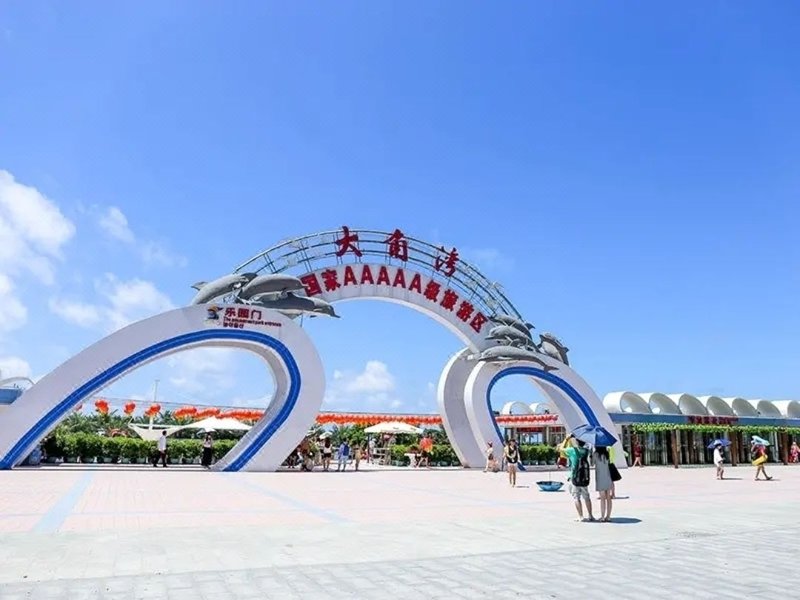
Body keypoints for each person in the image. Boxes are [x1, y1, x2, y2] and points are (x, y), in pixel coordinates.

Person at [558, 434, 594, 522]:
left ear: (577, 442)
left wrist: (567, 439)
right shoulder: (586, 451)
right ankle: (590, 515)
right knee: (587, 497)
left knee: (576, 497)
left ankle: (581, 516)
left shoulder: (572, 450)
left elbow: (561, 449)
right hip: (584, 477)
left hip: (574, 477)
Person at [594, 446, 613, 522]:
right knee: (608, 497)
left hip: (600, 477)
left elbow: (592, 463)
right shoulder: (607, 453)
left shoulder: (595, 454)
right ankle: (608, 516)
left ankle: (602, 516)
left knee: (602, 498)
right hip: (608, 477)